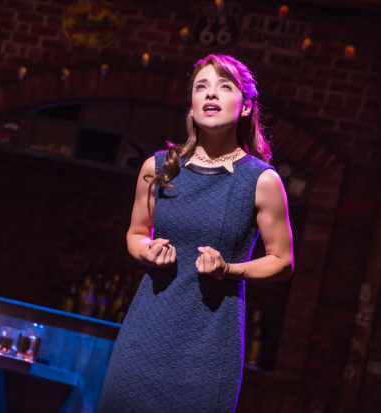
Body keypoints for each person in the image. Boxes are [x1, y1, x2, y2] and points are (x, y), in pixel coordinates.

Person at [98, 54, 294, 412]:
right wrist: (146, 250)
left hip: (208, 344)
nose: (210, 94)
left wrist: (231, 270)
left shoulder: (261, 180)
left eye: (224, 86)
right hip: (146, 332)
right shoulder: (158, 168)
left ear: (247, 106)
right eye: (201, 87)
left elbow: (282, 261)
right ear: (191, 103)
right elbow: (135, 233)